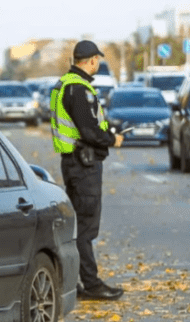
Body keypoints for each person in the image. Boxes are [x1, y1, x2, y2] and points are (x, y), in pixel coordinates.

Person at [50, 40, 124, 300]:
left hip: (73, 163)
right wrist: (112, 139)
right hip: (84, 165)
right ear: (92, 60)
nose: (98, 64)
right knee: (85, 228)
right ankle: (91, 284)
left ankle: (71, 282)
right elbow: (89, 131)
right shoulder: (79, 89)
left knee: (76, 226)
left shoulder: (64, 84)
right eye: (98, 60)